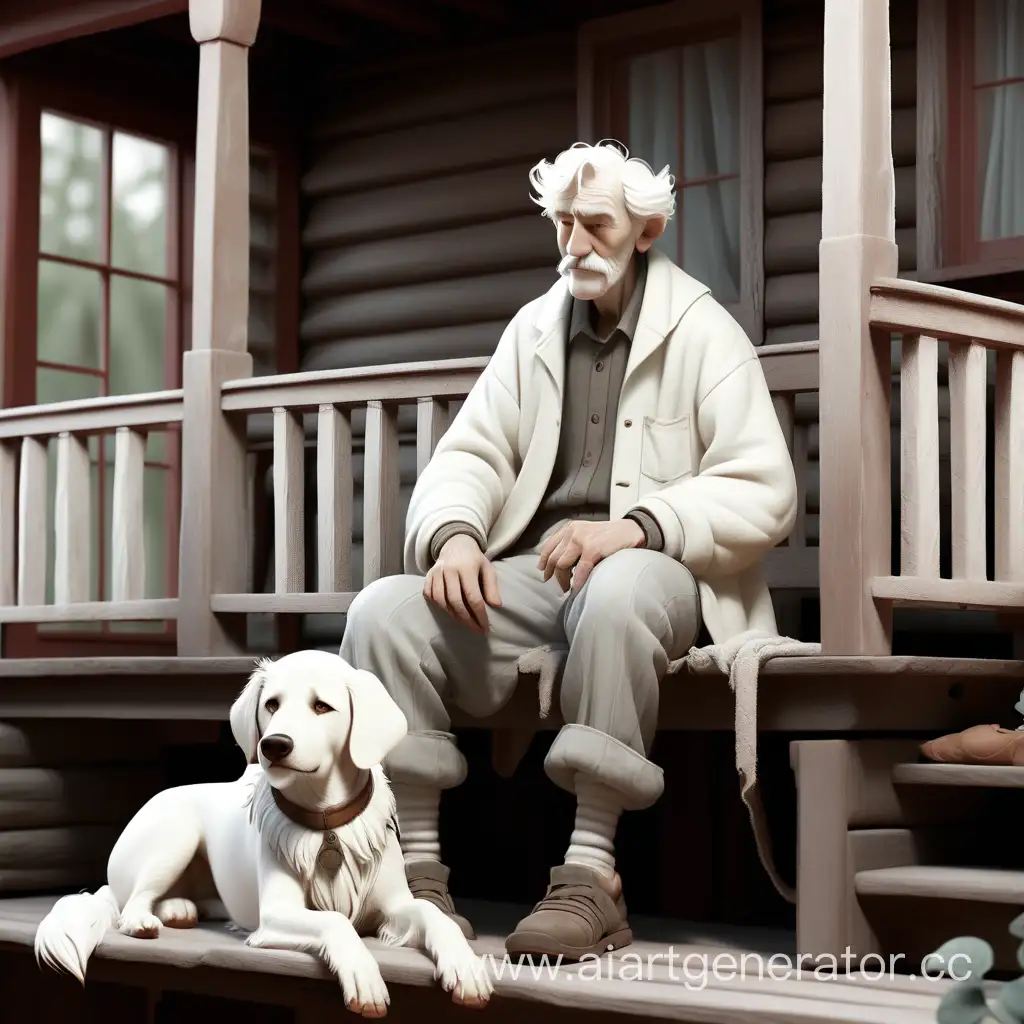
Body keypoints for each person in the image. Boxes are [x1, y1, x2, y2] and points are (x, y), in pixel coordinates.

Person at [340, 140, 798, 960]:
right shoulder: (534, 329)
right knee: (385, 612)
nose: (574, 246)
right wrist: (454, 536)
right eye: (563, 225)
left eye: (595, 225)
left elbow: (765, 487)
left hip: (660, 575)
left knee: (619, 589)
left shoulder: (704, 332)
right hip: (541, 579)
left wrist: (637, 526)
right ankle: (412, 877)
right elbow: (470, 455)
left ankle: (591, 877)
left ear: (646, 230)